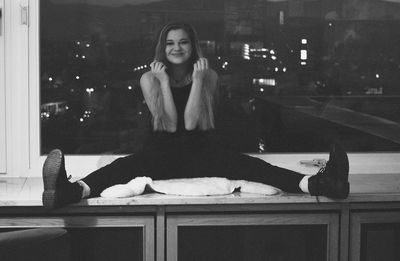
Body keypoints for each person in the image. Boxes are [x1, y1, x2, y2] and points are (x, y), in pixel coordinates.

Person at [42, 22, 350, 209]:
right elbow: (169, 126)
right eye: (170, 43)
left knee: (250, 165)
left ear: (193, 46)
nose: (176, 48)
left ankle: (321, 184)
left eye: (183, 42)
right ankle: (68, 192)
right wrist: (163, 82)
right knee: (122, 167)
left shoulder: (209, 76)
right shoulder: (150, 78)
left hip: (203, 151)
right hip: (160, 152)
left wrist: (199, 81)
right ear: (162, 47)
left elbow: (192, 125)